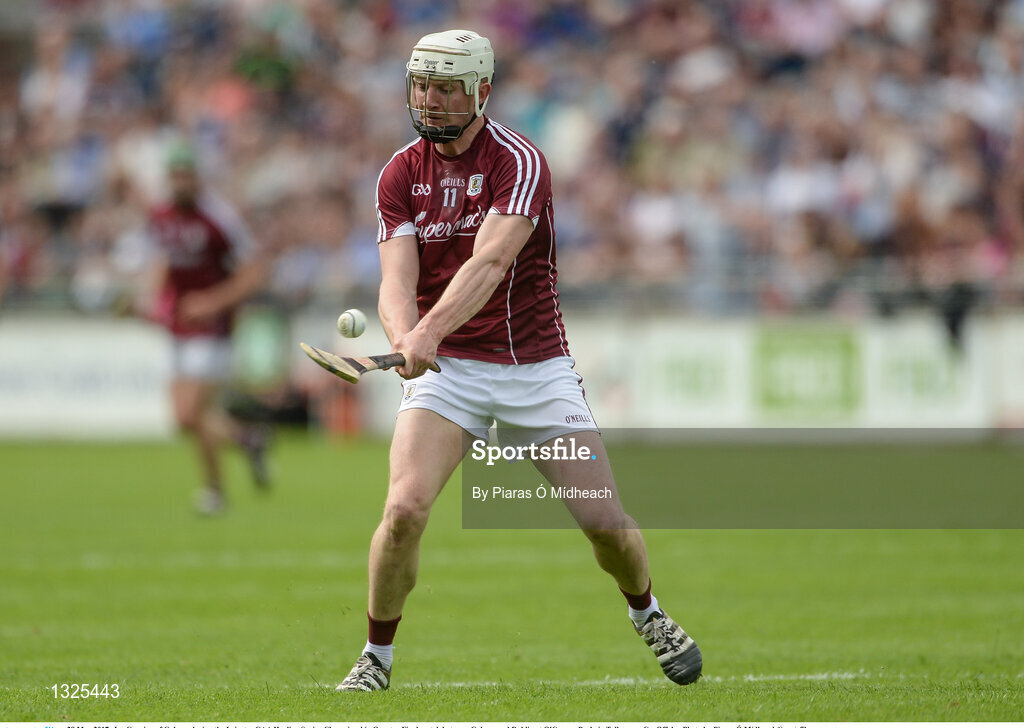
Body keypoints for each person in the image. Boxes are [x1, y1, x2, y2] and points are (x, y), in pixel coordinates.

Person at [336, 29, 702, 692]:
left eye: (446, 85)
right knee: (403, 511)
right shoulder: (399, 172)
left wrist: (427, 332)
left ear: (481, 89)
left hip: (535, 368)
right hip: (451, 375)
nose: (430, 98)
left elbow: (493, 261)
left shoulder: (519, 161)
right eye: (422, 83)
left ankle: (647, 612)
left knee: (605, 526)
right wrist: (405, 334)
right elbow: (396, 279)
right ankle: (376, 656)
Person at [142, 142, 272, 515]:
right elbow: (162, 260)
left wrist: (211, 303)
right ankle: (246, 439)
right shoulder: (162, 215)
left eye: (186, 174)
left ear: (197, 177)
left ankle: (215, 492)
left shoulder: (218, 217)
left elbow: (253, 271)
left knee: (189, 414)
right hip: (176, 327)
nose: (180, 181)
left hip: (213, 329)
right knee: (187, 420)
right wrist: (155, 300)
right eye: (174, 175)